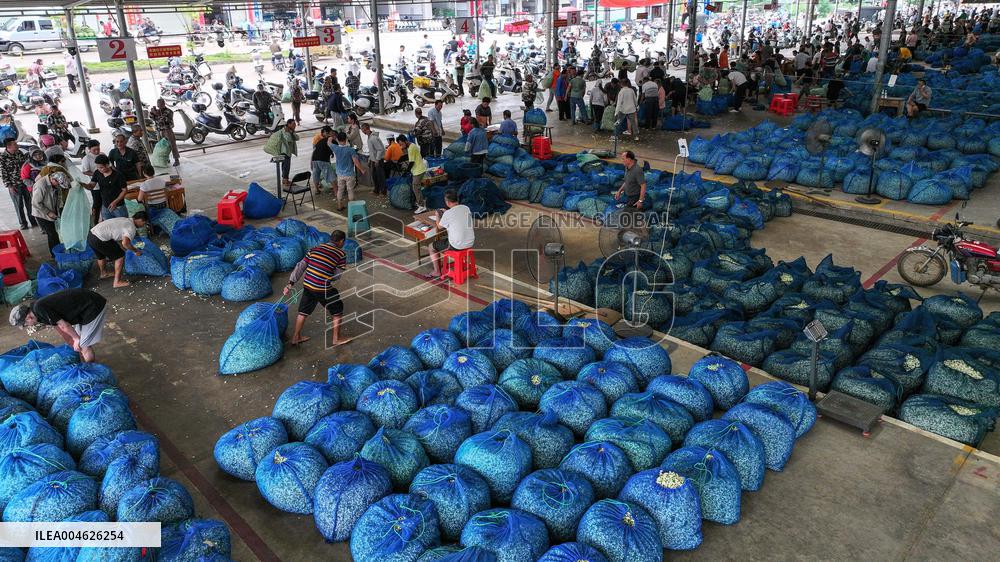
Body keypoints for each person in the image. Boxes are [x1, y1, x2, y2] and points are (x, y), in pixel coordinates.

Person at [284, 230, 351, 346]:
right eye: (343, 242)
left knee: (303, 311)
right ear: (341, 241)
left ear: (331, 239)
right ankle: (336, 339)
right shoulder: (341, 254)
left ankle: (296, 337)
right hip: (322, 287)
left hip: (308, 285)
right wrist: (327, 272)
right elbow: (336, 276)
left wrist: (290, 283)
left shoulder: (314, 249)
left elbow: (301, 266)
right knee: (338, 311)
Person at [9, 288, 110, 363]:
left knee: (83, 345)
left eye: (25, 324)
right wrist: (75, 338)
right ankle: (88, 364)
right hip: (82, 308)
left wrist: (76, 339)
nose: (28, 326)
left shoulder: (40, 308)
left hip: (93, 306)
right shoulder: (36, 309)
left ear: (28, 318)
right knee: (80, 343)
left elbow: (64, 325)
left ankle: (91, 372)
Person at [87, 212, 148, 288]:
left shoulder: (125, 219)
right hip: (100, 239)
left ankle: (103, 273)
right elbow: (125, 243)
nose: (143, 225)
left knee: (101, 256)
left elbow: (118, 236)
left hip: (91, 235)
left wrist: (124, 248)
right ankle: (117, 282)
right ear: (139, 219)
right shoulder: (131, 227)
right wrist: (136, 251)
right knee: (120, 256)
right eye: (144, 223)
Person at [428, 190, 475, 279]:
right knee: (447, 239)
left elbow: (439, 227)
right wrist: (447, 212)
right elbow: (458, 216)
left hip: (456, 245)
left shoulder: (447, 213)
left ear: (447, 202)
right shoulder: (466, 208)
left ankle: (437, 271)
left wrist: (438, 215)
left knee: (431, 247)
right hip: (470, 242)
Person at [31, 170, 67, 256]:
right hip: (41, 213)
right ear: (53, 179)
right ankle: (54, 254)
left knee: (55, 233)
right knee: (52, 234)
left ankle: (58, 251)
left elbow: (57, 197)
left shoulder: (54, 183)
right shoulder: (41, 185)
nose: (58, 186)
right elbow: (35, 203)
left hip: (51, 210)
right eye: (58, 184)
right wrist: (48, 212)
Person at [1, 138, 33, 230]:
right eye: (14, 144)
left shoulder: (19, 153)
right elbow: (3, 173)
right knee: (18, 205)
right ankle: (23, 223)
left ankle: (33, 221)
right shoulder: (3, 158)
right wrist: (9, 186)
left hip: (25, 182)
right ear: (8, 146)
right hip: (14, 185)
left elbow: (26, 166)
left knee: (29, 203)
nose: (17, 145)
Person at [85, 154, 128, 222]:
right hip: (105, 206)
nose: (99, 169)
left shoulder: (118, 175)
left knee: (123, 224)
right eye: (98, 167)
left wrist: (115, 202)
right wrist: (83, 185)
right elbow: (91, 186)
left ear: (108, 165)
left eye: (101, 167)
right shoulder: (97, 173)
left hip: (118, 206)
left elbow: (124, 190)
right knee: (108, 226)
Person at [331, 131, 366, 211]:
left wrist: (331, 137)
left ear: (337, 139)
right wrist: (362, 169)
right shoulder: (350, 150)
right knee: (350, 190)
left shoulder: (335, 148)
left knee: (340, 190)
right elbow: (356, 162)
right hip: (349, 174)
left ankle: (339, 206)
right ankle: (352, 208)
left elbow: (329, 142)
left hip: (340, 174)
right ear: (346, 139)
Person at [149, 99, 180, 167]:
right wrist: (152, 112)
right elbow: (151, 118)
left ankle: (176, 159)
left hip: (167, 130)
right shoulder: (157, 111)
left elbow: (166, 120)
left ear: (164, 104)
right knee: (162, 146)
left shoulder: (169, 111)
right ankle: (165, 158)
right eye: (158, 104)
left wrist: (158, 114)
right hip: (159, 130)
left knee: (172, 145)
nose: (159, 106)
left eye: (160, 104)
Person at [362, 122, 387, 196]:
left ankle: (383, 192)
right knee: (374, 176)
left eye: (363, 129)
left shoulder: (373, 138)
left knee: (380, 176)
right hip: (374, 160)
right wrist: (370, 158)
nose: (362, 131)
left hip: (378, 160)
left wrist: (377, 160)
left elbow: (380, 149)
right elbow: (372, 150)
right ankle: (376, 190)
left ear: (366, 129)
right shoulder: (369, 137)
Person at [404, 134, 428, 213]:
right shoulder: (412, 145)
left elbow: (411, 162)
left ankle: (421, 206)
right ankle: (420, 202)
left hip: (418, 171)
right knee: (417, 187)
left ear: (405, 141)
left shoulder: (411, 149)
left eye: (401, 144)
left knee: (415, 187)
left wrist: (407, 171)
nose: (401, 146)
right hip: (419, 169)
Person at [310, 126, 335, 194]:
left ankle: (317, 190)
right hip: (322, 159)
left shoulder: (321, 140)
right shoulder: (327, 139)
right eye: (331, 132)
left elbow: (317, 150)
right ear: (326, 133)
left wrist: (311, 161)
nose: (332, 134)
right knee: (330, 175)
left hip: (315, 159)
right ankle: (336, 191)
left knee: (316, 174)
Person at [275, 119, 299, 187]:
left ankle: (284, 180)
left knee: (285, 165)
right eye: (293, 124)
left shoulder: (290, 131)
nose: (295, 125)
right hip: (284, 151)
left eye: (295, 124)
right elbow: (288, 139)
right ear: (288, 124)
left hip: (287, 151)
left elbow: (297, 138)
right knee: (286, 166)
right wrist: (290, 133)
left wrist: (292, 132)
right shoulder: (284, 131)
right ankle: (286, 181)